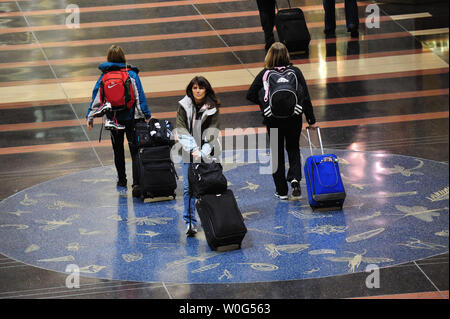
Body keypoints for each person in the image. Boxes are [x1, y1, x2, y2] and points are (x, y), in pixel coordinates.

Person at [246, 42, 317, 200]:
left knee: (277, 153)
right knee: (293, 148)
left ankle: (282, 191)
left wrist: (265, 104)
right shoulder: (295, 72)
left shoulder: (265, 73)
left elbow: (250, 94)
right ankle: (295, 180)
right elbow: (305, 97)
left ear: (269, 56)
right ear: (287, 55)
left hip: (273, 120)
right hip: (294, 118)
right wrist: (311, 119)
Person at [86, 45, 151, 196]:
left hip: (113, 119)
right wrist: (146, 115)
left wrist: (90, 116)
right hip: (132, 118)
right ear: (123, 58)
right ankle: (137, 184)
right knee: (135, 150)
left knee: (118, 150)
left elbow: (96, 98)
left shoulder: (104, 77)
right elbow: (139, 97)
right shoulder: (132, 75)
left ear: (108, 59)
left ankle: (122, 180)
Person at [174, 76, 221, 236]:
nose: (198, 91)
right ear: (191, 89)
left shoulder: (213, 107)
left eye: (200, 88)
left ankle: (212, 220)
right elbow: (181, 129)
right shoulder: (183, 105)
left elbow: (213, 133)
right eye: (194, 88)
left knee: (209, 186)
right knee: (188, 188)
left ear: (206, 89)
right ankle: (190, 223)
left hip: (207, 152)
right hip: (188, 151)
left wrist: (202, 153)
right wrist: (193, 149)